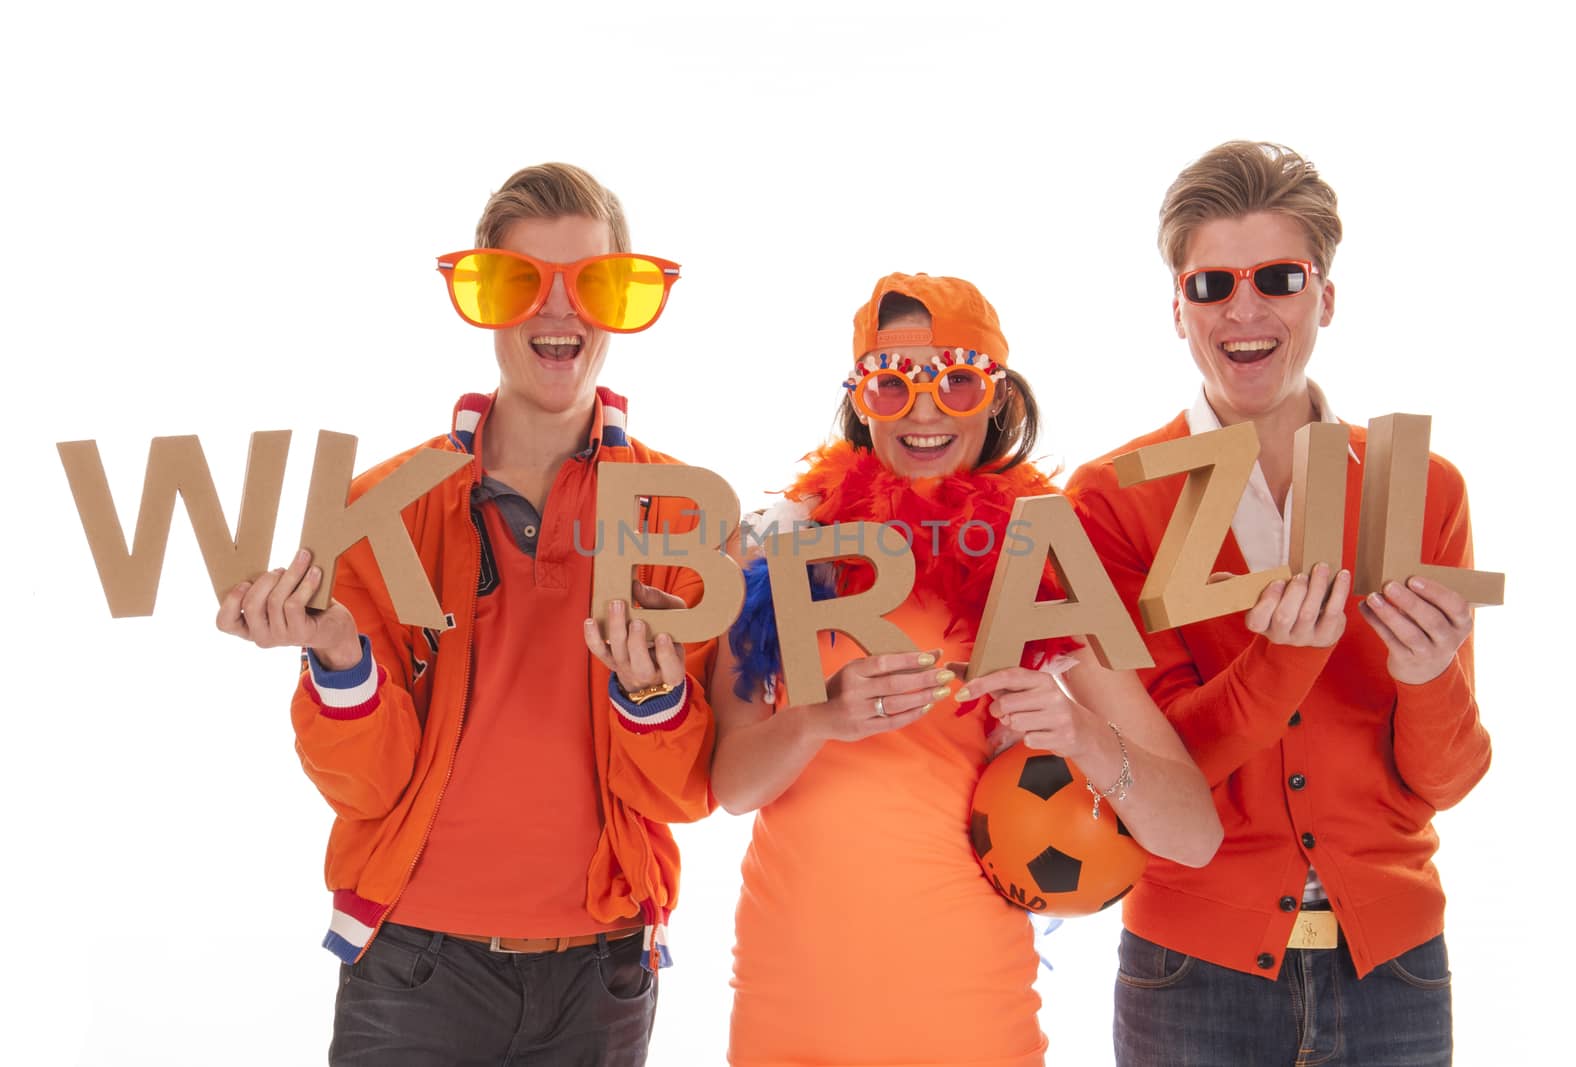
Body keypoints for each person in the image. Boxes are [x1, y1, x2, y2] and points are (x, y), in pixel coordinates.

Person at [215, 163, 716, 1066]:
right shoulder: (384, 508)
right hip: (414, 975)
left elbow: (685, 791)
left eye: (591, 283)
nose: (558, 311)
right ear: (483, 297)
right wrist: (337, 651)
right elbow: (365, 786)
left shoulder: (679, 515)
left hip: (600, 981)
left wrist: (654, 693)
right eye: (523, 281)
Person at [712, 273, 1222, 1066]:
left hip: (967, 1010)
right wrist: (821, 717)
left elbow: (1191, 832)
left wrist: (1079, 732)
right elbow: (733, 786)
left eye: (955, 381)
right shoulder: (782, 544)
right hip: (788, 1000)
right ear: (861, 399)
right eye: (892, 385)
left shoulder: (1040, 565)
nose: (923, 412)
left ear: (996, 397)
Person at [1066, 142, 1491, 1066]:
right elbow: (1168, 771)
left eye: (1279, 277)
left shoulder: (1424, 490)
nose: (1244, 309)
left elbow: (1447, 781)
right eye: (1211, 283)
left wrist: (1428, 678)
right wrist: (1283, 660)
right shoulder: (1110, 498)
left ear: (1325, 297)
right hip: (1191, 970)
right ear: (1177, 308)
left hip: (1396, 967)